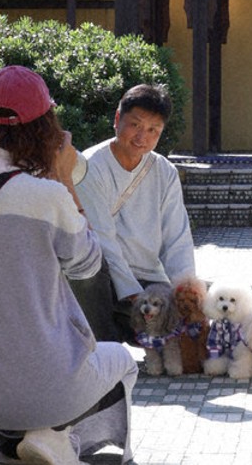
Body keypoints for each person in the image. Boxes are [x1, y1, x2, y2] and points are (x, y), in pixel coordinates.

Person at [0, 65, 137, 464]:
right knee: (122, 361)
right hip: (47, 387)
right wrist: (64, 178)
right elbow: (88, 267)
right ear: (45, 129)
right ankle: (53, 435)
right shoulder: (47, 196)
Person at [71, 84, 195, 342]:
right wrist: (133, 296)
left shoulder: (165, 171)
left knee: (189, 336)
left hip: (151, 279)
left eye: (153, 130)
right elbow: (104, 240)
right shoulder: (90, 166)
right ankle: (107, 344)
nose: (142, 137)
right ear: (117, 119)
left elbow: (177, 238)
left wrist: (185, 293)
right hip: (110, 281)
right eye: (135, 125)